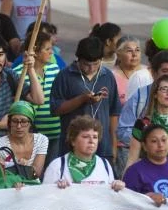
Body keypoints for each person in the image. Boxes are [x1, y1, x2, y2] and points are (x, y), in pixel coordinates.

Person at [50, 36, 120, 165]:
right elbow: (56, 109)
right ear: (78, 59)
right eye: (87, 65)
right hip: (72, 147)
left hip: (102, 147)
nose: (92, 68)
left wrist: (113, 145)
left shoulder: (108, 76)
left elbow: (114, 113)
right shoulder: (65, 76)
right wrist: (81, 99)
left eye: (96, 64)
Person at [12, 29, 60, 159]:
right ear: (35, 52)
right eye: (47, 49)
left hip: (55, 132)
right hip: (32, 135)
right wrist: (30, 69)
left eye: (52, 48)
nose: (51, 52)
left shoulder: (54, 69)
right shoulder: (17, 74)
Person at [0, 100, 47, 180]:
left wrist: (24, 168)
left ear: (30, 123)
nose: (19, 126)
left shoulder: (41, 140)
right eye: (15, 121)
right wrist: (22, 169)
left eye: (24, 121)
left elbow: (36, 174)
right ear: (9, 123)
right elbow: (0, 176)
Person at [110, 36, 145, 107]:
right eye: (129, 51)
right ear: (118, 55)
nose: (134, 54)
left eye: (137, 50)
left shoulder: (148, 73)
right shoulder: (111, 76)